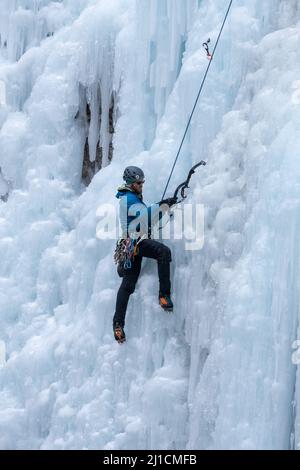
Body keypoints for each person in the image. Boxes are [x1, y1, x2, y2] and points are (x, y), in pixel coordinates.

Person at [113, 166, 177, 343]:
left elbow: (146, 219)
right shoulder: (130, 199)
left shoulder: (129, 198)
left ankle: (118, 325)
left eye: (142, 182)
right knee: (163, 252)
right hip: (136, 242)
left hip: (129, 245)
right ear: (131, 183)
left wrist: (163, 208)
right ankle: (164, 296)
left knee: (128, 284)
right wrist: (164, 204)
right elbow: (145, 216)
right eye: (139, 183)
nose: (142, 185)